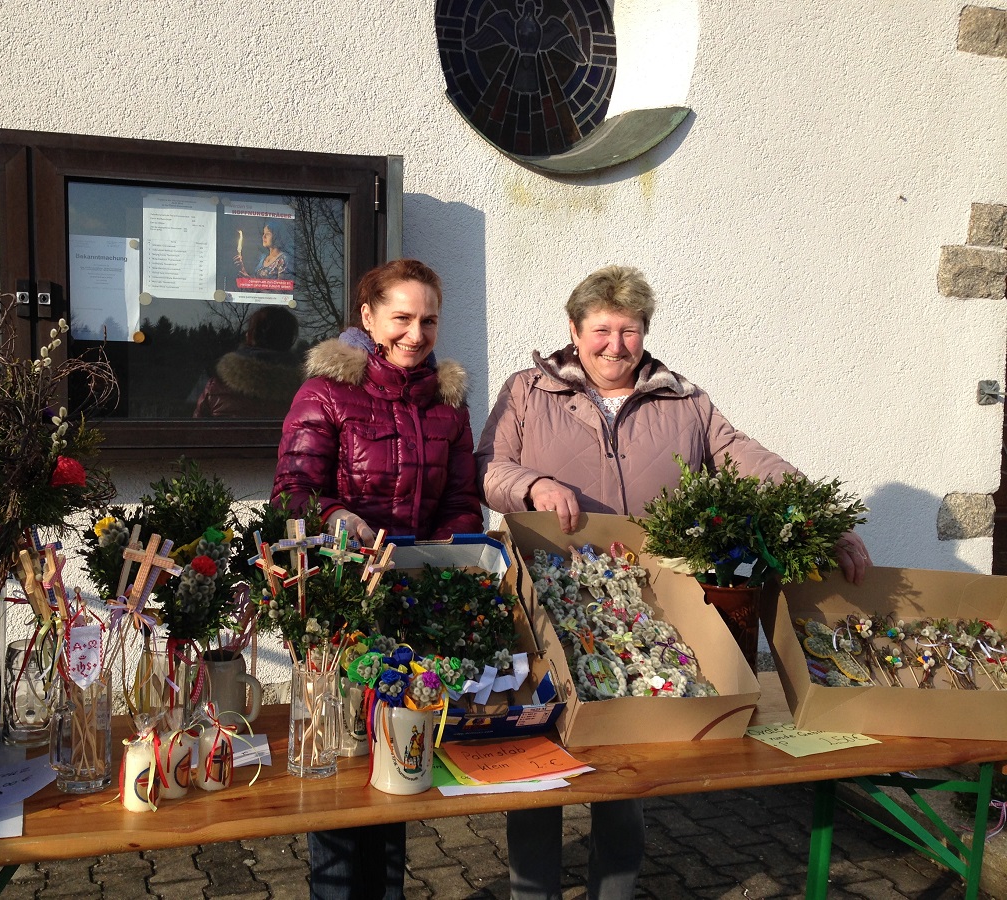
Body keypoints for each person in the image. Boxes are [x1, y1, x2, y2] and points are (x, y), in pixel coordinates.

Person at [475, 264, 871, 900]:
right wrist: (532, 485)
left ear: (645, 332)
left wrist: (822, 518)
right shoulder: (528, 390)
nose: (615, 345)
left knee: (633, 761)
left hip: (641, 607)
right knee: (540, 765)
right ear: (574, 330)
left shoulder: (682, 401)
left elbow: (747, 459)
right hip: (546, 596)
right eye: (601, 330)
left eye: (629, 330)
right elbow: (488, 468)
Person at [271, 257, 482, 899]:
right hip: (341, 603)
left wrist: (451, 557)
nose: (416, 334)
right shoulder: (327, 393)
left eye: (429, 321)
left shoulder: (447, 403)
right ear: (368, 316)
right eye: (402, 318)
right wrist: (336, 516)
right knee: (339, 763)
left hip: (411, 603)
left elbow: (461, 500)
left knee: (399, 759)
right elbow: (291, 492)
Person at [193, 305, 301, 418]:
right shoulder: (304, 391)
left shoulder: (217, 385)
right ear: (290, 340)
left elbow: (196, 426)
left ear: (249, 335)